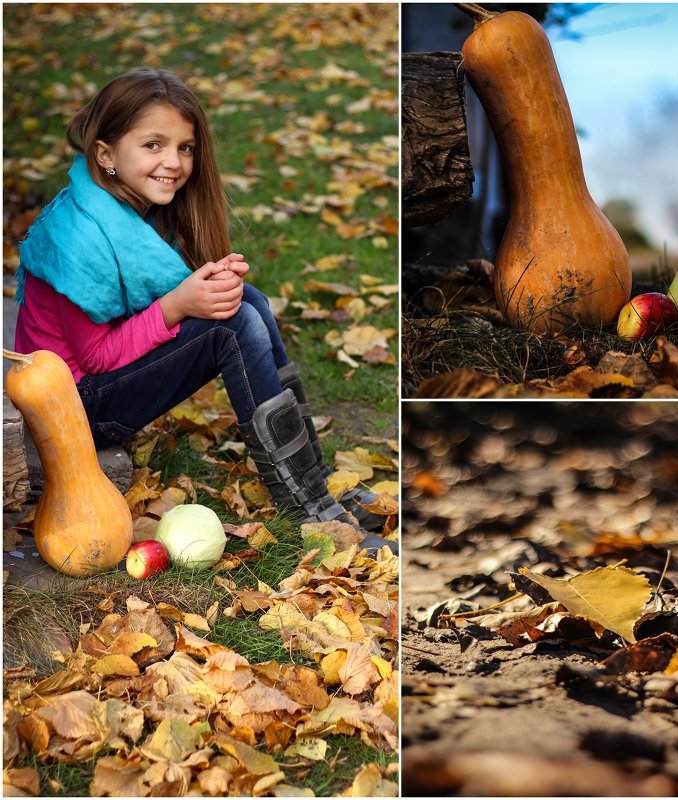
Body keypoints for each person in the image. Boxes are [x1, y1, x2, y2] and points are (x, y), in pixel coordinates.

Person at [14, 68, 395, 553]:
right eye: (153, 145)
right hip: (76, 407)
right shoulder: (78, 237)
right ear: (106, 154)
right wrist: (177, 305)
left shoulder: (124, 209)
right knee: (230, 327)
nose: (173, 162)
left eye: (184, 147)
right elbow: (97, 361)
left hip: (99, 386)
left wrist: (208, 285)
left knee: (248, 301)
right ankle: (308, 513)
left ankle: (314, 481)